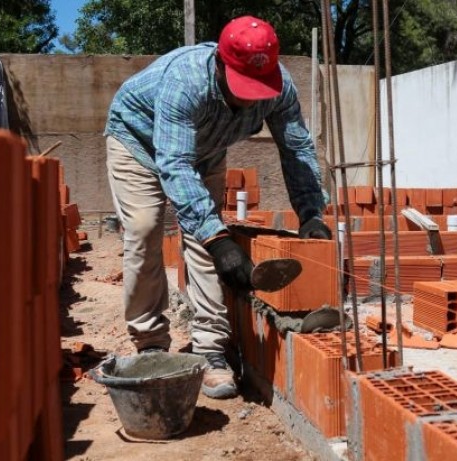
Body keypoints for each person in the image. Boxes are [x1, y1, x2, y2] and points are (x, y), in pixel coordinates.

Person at [104, 15, 332, 399]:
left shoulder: (280, 87)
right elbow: (174, 163)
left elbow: (296, 148)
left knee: (204, 241)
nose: (251, 97)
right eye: (244, 86)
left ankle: (211, 350)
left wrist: (312, 214)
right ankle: (151, 344)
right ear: (221, 64)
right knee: (146, 229)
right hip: (137, 143)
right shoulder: (186, 82)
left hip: (205, 151)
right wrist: (218, 239)